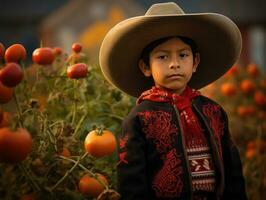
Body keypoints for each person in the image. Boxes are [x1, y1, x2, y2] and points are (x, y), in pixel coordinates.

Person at [99, 2, 247, 200]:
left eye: (183, 55)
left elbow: (233, 172)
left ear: (195, 62)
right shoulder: (140, 119)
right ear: (145, 67)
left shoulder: (213, 111)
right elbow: (132, 182)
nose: (174, 64)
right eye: (162, 56)